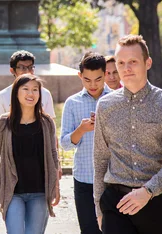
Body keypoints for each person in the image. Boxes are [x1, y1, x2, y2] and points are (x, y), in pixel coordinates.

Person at [93, 34, 162, 234]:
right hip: (115, 204)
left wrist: (148, 191)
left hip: (155, 202)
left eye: (133, 62)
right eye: (121, 62)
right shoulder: (105, 106)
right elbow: (100, 158)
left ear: (148, 62)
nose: (126, 68)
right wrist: (98, 207)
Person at [0, 74, 60, 234]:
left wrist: (56, 187)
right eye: (25, 89)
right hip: (12, 193)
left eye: (35, 90)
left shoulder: (47, 123)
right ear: (16, 92)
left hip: (40, 192)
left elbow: (53, 156)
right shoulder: (3, 123)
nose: (30, 94)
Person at [60, 52, 111, 234]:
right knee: (89, 230)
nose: (93, 85)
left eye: (98, 79)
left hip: (112, 179)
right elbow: (65, 144)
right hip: (84, 179)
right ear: (80, 76)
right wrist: (81, 130)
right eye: (87, 80)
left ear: (105, 74)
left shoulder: (115, 100)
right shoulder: (72, 103)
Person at [0, 50, 56, 121]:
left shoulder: (45, 93)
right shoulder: (2, 96)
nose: (27, 71)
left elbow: (50, 123)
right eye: (22, 67)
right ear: (12, 70)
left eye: (30, 67)